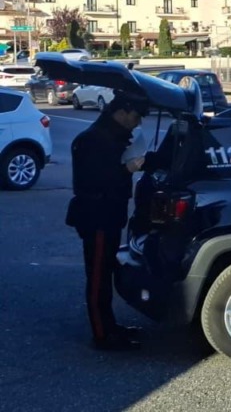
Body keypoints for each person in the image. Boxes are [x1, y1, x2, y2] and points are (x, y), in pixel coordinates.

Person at [66, 93, 150, 351]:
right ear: (122, 112)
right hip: (97, 215)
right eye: (135, 117)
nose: (137, 124)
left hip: (108, 214)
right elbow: (94, 180)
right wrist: (127, 169)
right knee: (98, 277)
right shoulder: (94, 139)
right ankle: (102, 334)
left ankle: (109, 326)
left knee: (105, 273)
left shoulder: (110, 134)